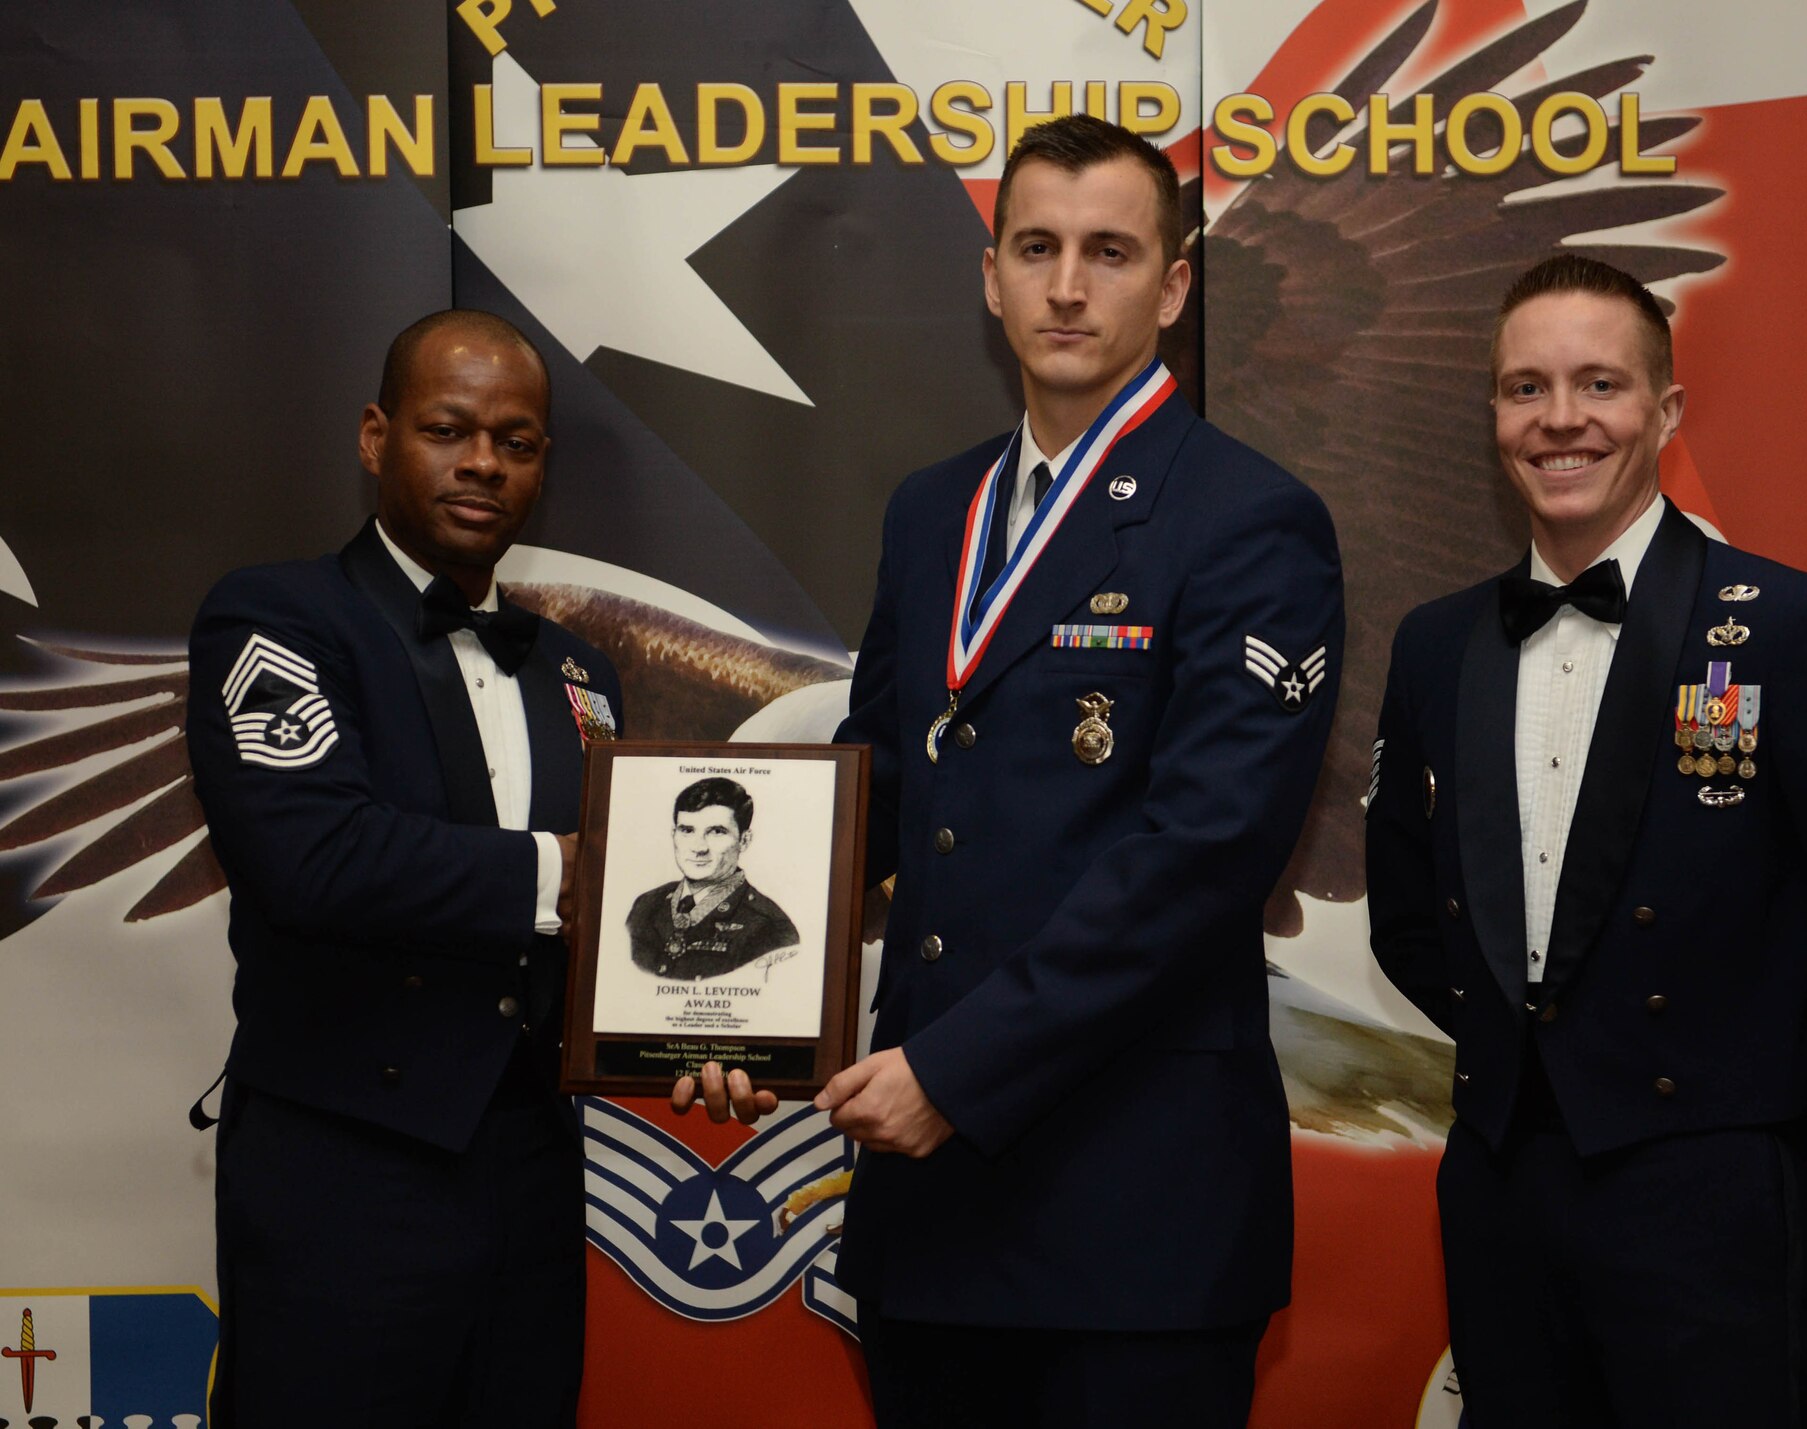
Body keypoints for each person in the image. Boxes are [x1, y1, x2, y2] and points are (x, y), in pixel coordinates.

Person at [1365, 254, 1807, 1427]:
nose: (1559, 418)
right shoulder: (1433, 645)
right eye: (1525, 388)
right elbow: (1407, 916)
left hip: (1704, 1191)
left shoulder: (1793, 626)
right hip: (1498, 1184)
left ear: (1663, 412)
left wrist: (1768, 1101)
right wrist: (1526, 1055)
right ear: (1492, 413)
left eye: (1597, 384)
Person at [813, 113, 1343, 1427]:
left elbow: (1201, 858)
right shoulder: (931, 511)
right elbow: (868, 793)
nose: (1065, 286)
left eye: (1108, 252)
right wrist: (731, 1000)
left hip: (1133, 1216)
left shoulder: (1249, 519)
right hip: (932, 1218)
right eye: (1034, 248)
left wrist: (954, 1072)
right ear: (989, 278)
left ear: (1171, 287)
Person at [186, 309, 770, 1428]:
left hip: (534, 1171)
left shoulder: (580, 673)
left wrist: (712, 1028)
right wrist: (563, 872)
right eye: (448, 430)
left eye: (515, 441)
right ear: (377, 436)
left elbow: (631, 915)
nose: (483, 463)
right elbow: (314, 857)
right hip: (343, 1168)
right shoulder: (279, 617)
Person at [626, 775, 801, 979]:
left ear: (744, 841)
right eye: (687, 830)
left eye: (717, 832)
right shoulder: (646, 906)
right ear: (673, 834)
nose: (699, 848)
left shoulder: (770, 927)